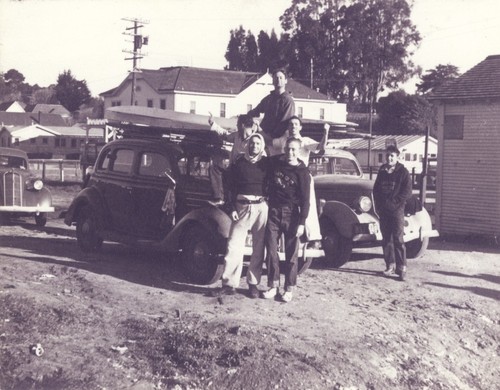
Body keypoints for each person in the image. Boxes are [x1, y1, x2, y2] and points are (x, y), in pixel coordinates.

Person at [211, 133, 269, 298]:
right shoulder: (238, 164)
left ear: (262, 146)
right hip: (241, 207)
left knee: (259, 248)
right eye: (252, 143)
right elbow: (229, 187)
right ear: (247, 145)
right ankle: (229, 284)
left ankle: (253, 284)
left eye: (258, 144)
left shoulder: (266, 164)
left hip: (261, 207)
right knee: (234, 245)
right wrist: (231, 208)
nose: (254, 146)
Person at [263, 137, 310, 303]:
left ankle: (289, 289)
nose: (290, 152)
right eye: (288, 149)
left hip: (292, 215)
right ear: (284, 149)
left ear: (299, 152)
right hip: (273, 211)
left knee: (291, 254)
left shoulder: (303, 172)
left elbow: (306, 200)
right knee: (271, 250)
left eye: (293, 150)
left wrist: (302, 223)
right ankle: (273, 285)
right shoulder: (276, 164)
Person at [271, 116, 329, 242]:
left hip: (302, 178)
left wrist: (326, 132)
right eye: (291, 124)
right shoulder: (283, 140)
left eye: (296, 124)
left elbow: (320, 146)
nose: (293, 127)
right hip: (286, 177)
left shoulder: (305, 141)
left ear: (300, 127)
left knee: (308, 205)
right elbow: (269, 142)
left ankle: (312, 237)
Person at [373, 145, 413, 281]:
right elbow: (376, 190)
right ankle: (390, 265)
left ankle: (401, 268)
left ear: (397, 157)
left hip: (397, 211)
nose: (389, 158)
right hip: (383, 211)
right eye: (388, 155)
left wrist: (394, 203)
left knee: (398, 239)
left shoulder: (403, 172)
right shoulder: (382, 171)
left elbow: (407, 193)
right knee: (386, 239)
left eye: (392, 156)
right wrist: (378, 206)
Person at [207, 113, 259, 206]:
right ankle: (219, 198)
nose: (236, 125)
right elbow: (225, 135)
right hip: (233, 168)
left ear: (242, 125)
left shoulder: (254, 141)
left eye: (237, 123)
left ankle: (230, 201)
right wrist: (213, 124)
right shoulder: (236, 136)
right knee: (215, 166)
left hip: (245, 174)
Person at [248, 67, 295, 150]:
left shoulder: (288, 101)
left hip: (278, 142)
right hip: (263, 137)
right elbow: (256, 110)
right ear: (272, 81)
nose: (278, 80)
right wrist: (246, 117)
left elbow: (284, 124)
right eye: (276, 78)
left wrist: (270, 138)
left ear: (286, 81)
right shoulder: (269, 99)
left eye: (281, 78)